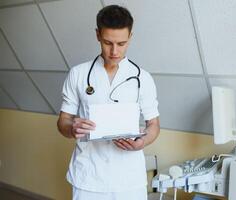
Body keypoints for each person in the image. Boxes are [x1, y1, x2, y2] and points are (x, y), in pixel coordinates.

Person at [57, 5, 160, 200]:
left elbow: (153, 125)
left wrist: (143, 142)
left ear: (130, 37)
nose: (114, 51)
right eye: (107, 43)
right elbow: (63, 122)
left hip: (129, 180)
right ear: (97, 35)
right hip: (88, 176)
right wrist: (72, 127)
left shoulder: (143, 78)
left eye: (121, 43)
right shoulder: (78, 74)